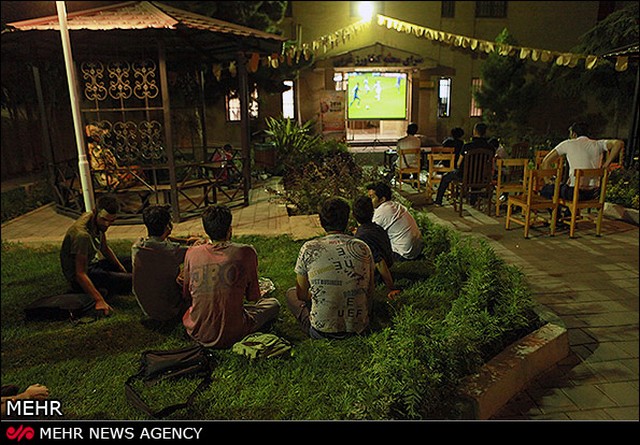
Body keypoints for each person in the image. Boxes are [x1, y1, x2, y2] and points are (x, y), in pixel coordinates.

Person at [181, 205, 280, 349]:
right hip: (234, 333)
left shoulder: (192, 253)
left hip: (198, 331)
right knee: (273, 304)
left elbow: (186, 294)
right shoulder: (246, 252)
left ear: (206, 230)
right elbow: (253, 297)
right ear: (229, 229)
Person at [286, 197, 374, 339]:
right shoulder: (362, 247)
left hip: (322, 331)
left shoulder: (309, 248)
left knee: (291, 294)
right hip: (359, 327)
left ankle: (312, 319)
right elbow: (369, 291)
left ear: (321, 221)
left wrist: (321, 293)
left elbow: (301, 295)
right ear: (347, 219)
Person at [60, 195, 132, 316]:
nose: (107, 224)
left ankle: (109, 286)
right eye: (104, 219)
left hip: (93, 265)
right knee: (130, 280)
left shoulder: (96, 221)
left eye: (111, 221)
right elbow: (80, 273)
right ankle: (94, 291)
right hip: (82, 275)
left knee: (131, 261)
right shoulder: (82, 235)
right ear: (95, 212)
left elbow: (104, 248)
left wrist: (121, 268)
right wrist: (99, 300)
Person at [132, 205, 203, 324]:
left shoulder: (137, 247)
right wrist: (199, 242)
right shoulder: (172, 252)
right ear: (168, 226)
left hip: (146, 307)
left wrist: (184, 241)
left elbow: (161, 240)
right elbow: (198, 252)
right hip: (169, 310)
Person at [540, 122, 624, 201]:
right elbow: (619, 143)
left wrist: (548, 180)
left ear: (574, 134)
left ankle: (557, 214)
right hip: (594, 193)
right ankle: (569, 214)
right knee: (565, 189)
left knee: (545, 190)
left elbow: (546, 161)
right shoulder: (598, 144)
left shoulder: (568, 144)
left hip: (574, 193)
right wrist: (606, 164)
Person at [433, 122, 493, 206]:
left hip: (465, 176)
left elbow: (458, 163)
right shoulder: (490, 148)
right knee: (475, 175)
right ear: (485, 132)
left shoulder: (467, 146)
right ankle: (472, 201)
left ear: (475, 131)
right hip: (481, 177)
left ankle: (438, 201)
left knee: (446, 177)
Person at [366, 182, 423, 262]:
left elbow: (370, 234)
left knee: (372, 247)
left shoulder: (382, 211)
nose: (368, 200)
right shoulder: (394, 205)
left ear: (382, 199)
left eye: (371, 197)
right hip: (416, 249)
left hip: (403, 254)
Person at [352, 195, 395, 293]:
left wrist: (391, 287)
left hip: (376, 277)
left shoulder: (362, 237)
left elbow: (380, 262)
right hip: (389, 264)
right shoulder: (377, 228)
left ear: (353, 215)